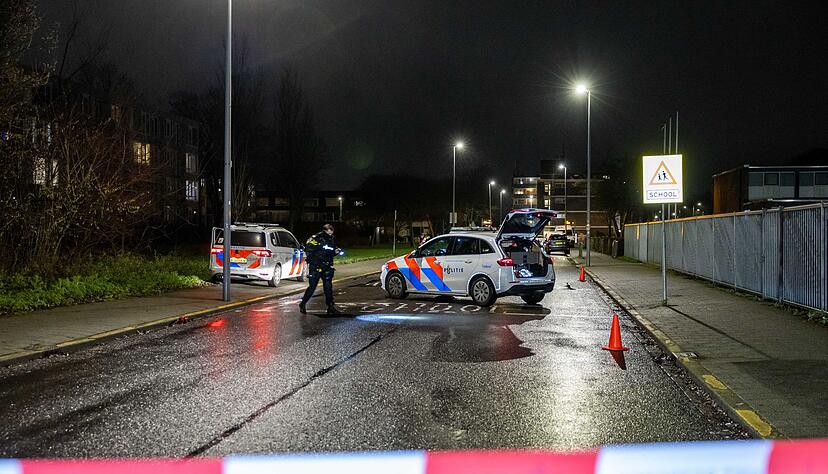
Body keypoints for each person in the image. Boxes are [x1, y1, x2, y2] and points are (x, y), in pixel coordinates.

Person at [299, 223, 343, 315]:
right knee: (312, 286)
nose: (330, 235)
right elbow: (311, 249)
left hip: (327, 266)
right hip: (316, 266)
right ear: (325, 231)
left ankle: (330, 306)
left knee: (328, 287)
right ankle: (303, 303)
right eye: (329, 233)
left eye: (331, 233)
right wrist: (326, 251)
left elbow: (331, 250)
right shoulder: (316, 238)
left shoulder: (331, 238)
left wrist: (336, 251)